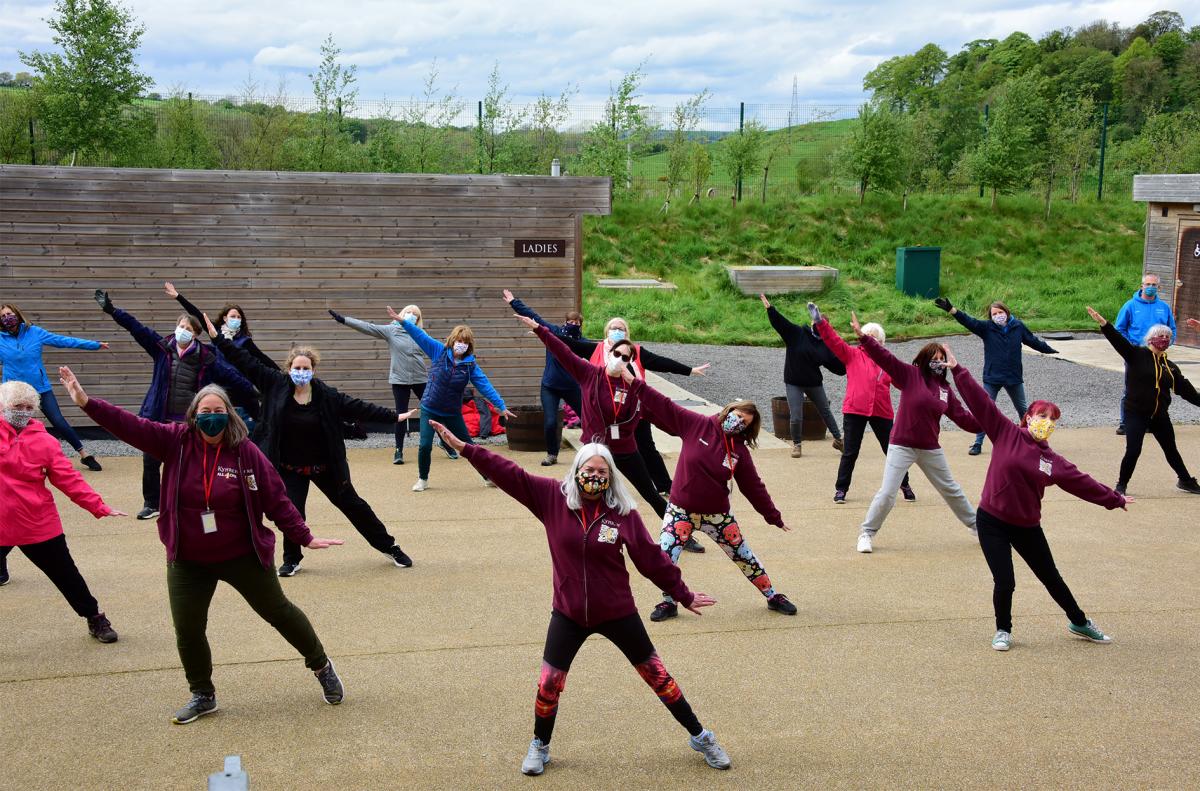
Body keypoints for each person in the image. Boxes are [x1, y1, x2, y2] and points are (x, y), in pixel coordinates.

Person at [430, 420, 731, 775]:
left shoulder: (623, 514)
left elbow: (651, 559)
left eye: (602, 471)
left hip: (618, 612)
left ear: (611, 476)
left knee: (658, 676)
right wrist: (468, 449)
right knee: (548, 684)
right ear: (576, 471)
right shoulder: (551, 499)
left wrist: (683, 594)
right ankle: (539, 745)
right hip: (569, 613)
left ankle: (700, 735)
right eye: (589, 469)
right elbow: (510, 473)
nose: (595, 476)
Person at [59, 367, 347, 724]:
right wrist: (87, 403)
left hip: (242, 555)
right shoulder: (175, 441)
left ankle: (321, 666)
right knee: (189, 628)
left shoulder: (246, 453)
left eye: (219, 412)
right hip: (188, 559)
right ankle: (202, 694)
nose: (212, 419)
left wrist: (304, 536)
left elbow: (277, 499)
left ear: (230, 414)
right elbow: (130, 425)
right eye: (205, 413)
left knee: (279, 612)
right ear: (194, 416)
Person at [943, 346, 1131, 651]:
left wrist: (1115, 499)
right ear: (1028, 417)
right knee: (1005, 580)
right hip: (991, 521)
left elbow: (1083, 483)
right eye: (1041, 415)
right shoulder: (1005, 433)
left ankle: (1080, 622)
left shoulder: (1053, 461)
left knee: (1051, 577)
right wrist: (958, 371)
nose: (1046, 421)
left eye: (1052, 418)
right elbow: (981, 403)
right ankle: (1003, 630)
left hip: (1027, 526)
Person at [204, 314, 415, 576]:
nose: (301, 372)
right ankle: (292, 558)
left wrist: (395, 416)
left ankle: (390, 547)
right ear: (288, 368)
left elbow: (358, 407)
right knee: (292, 512)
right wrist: (218, 339)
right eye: (297, 367)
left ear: (313, 370)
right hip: (289, 466)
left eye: (306, 368)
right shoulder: (274, 383)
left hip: (326, 466)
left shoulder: (326, 395)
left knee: (354, 505)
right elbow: (244, 361)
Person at [635, 378, 798, 622]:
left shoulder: (739, 451)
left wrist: (773, 517)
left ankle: (773, 596)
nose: (739, 421)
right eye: (738, 415)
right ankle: (668, 602)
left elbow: (753, 487)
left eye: (744, 422)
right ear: (728, 410)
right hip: (680, 511)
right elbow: (666, 406)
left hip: (717, 516)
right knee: (666, 558)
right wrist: (636, 387)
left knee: (744, 557)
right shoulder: (696, 424)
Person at [95, 289, 255, 521]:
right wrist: (113, 311)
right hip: (158, 414)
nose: (183, 331)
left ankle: (188, 503)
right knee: (150, 460)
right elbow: (137, 328)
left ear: (196, 334)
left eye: (189, 329)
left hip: (186, 420)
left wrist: (255, 390)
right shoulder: (162, 348)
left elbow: (232, 376)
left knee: (188, 464)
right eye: (181, 326)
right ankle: (152, 503)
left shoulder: (206, 357)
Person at [560, 316, 711, 554]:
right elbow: (564, 348)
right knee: (582, 489)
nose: (619, 359)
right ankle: (576, 535)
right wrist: (538, 327)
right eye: (616, 354)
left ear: (631, 361)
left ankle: (680, 534)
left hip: (624, 445)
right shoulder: (592, 374)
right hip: (597, 448)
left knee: (649, 492)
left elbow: (663, 410)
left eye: (625, 357)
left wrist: (691, 429)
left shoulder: (633, 387)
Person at [845, 310, 982, 554]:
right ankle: (866, 533)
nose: (938, 362)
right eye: (934, 357)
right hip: (902, 444)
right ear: (925, 358)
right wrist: (863, 338)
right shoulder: (911, 374)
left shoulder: (945, 390)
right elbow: (885, 357)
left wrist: (991, 425)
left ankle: (977, 527)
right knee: (887, 494)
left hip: (930, 447)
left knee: (951, 489)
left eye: (942, 359)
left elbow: (963, 418)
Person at [0, 380, 124, 640]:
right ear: (3, 406)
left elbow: (69, 479)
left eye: (28, 406)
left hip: (35, 522)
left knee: (66, 574)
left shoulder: (45, 441)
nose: (22, 411)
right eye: (16, 406)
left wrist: (98, 505)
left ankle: (95, 618)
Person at [386, 307, 515, 492]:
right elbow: (420, 336)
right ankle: (423, 479)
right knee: (424, 445)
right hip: (430, 407)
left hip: (452, 412)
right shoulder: (438, 351)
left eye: (464, 342)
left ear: (469, 345)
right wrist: (402, 321)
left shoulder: (470, 365)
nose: (460, 344)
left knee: (469, 446)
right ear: (452, 340)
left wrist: (501, 406)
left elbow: (485, 385)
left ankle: (487, 477)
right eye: (458, 340)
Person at [1086, 306, 1200, 495]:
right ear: (1150, 339)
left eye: (1167, 336)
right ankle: (1121, 485)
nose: (1163, 339)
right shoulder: (1136, 355)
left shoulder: (1170, 368)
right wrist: (1104, 324)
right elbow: (1118, 341)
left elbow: (1187, 391)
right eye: (1160, 335)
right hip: (1136, 414)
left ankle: (1185, 481)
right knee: (1133, 450)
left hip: (1159, 415)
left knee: (1171, 449)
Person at [810, 304, 915, 504]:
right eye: (868, 335)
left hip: (881, 411)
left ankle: (905, 484)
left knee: (892, 450)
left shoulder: (887, 360)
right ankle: (841, 489)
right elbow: (833, 341)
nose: (872, 339)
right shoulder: (852, 354)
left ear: (882, 342)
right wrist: (820, 323)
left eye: (876, 337)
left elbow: (903, 382)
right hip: (855, 409)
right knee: (850, 451)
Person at [933, 296, 1057, 455]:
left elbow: (1032, 341)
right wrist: (952, 310)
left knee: (1024, 412)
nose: (998, 315)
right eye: (994, 314)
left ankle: (1037, 441)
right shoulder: (987, 328)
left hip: (1013, 377)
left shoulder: (1018, 326)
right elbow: (969, 321)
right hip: (992, 377)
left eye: (1000, 312)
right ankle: (978, 443)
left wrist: (1050, 350)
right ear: (990, 317)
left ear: (1006, 312)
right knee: (985, 409)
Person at [0, 302, 107, 470]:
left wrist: (93, 345)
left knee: (59, 421)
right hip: (13, 393)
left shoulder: (35, 333)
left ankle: (84, 455)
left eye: (10, 314)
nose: (8, 318)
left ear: (18, 315)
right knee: (10, 426)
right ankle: (11, 460)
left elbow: (63, 341)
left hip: (40, 388)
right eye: (3, 316)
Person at [329, 304, 429, 465]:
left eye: (415, 314)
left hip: (420, 378)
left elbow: (434, 350)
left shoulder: (420, 333)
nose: (411, 315)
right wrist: (344, 320)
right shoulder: (392, 330)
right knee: (401, 415)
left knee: (433, 410)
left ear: (418, 319)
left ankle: (446, 443)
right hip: (399, 380)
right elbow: (368, 327)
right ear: (402, 313)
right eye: (408, 312)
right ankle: (398, 451)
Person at [502, 289, 584, 467]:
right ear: (565, 322)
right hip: (550, 386)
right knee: (550, 422)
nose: (573, 324)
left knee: (588, 418)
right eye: (570, 321)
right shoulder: (553, 332)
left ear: (580, 325)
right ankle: (552, 455)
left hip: (572, 386)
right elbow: (534, 317)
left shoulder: (581, 343)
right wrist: (513, 302)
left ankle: (596, 450)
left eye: (576, 322)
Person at [760, 294, 846, 457]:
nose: (818, 325)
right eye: (816, 322)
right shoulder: (797, 333)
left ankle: (839, 440)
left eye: (823, 325)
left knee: (825, 411)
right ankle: (797, 445)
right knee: (796, 415)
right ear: (813, 322)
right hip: (794, 381)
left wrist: (850, 364)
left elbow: (838, 367)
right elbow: (781, 323)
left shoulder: (825, 345)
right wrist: (770, 309)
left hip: (813, 382)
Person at [164, 282, 278, 370]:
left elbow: (262, 358)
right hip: (218, 381)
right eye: (233, 316)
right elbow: (197, 314)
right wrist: (178, 297)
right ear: (225, 318)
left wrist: (283, 373)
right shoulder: (216, 331)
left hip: (239, 383)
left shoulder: (245, 340)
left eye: (239, 317)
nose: (236, 319)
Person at [1114, 274, 1176, 434]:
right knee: (1131, 389)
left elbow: (1172, 329)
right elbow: (1119, 329)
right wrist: (1130, 346)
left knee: (1156, 388)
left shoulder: (1164, 307)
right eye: (1148, 284)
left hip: (1157, 355)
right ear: (1141, 286)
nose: (1151, 287)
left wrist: (1167, 343)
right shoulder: (1130, 306)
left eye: (1154, 285)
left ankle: (1150, 422)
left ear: (1159, 288)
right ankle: (1124, 423)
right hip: (1136, 355)